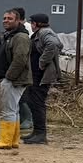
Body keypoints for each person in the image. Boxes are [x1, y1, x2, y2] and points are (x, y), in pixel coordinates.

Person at [0, 9, 32, 150]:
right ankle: (13, 140)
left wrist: (8, 77)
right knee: (13, 110)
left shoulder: (20, 37)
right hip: (9, 78)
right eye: (4, 18)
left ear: (18, 20)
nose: (5, 20)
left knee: (7, 110)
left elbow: (20, 59)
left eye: (10, 18)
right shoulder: (11, 35)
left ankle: (5, 140)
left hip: (13, 80)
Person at [24, 14, 63, 145]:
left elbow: (54, 44)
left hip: (41, 76)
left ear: (35, 24)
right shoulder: (40, 33)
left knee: (38, 103)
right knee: (32, 102)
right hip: (35, 75)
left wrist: (42, 62)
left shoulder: (45, 32)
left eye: (32, 22)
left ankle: (40, 134)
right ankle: (36, 132)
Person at [12, 6, 33, 133]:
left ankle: (28, 119)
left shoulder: (26, 29)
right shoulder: (18, 30)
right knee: (19, 96)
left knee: (24, 95)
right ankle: (22, 118)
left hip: (24, 67)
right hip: (18, 66)